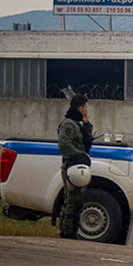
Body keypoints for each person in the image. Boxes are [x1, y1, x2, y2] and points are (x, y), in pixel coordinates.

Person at [57, 94, 93, 239]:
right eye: (85, 107)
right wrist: (80, 155)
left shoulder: (78, 124)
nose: (86, 110)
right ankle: (67, 231)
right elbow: (64, 144)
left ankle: (70, 230)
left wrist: (87, 124)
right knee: (71, 200)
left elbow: (86, 140)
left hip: (78, 166)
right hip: (72, 166)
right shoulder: (69, 124)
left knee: (77, 200)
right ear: (80, 107)